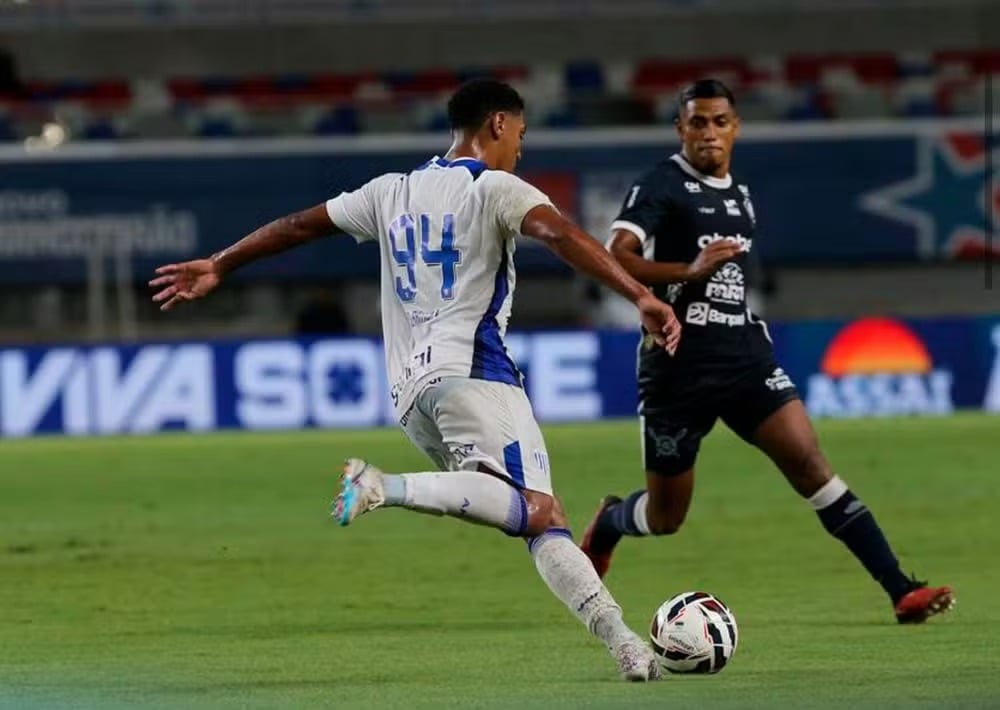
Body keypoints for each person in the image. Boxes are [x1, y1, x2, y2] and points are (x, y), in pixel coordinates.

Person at [149, 79, 681, 679]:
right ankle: (384, 486)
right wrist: (639, 293)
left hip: (409, 394)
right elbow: (557, 234)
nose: (521, 150)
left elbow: (299, 226)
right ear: (499, 125)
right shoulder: (497, 186)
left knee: (538, 517)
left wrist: (220, 263)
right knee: (537, 511)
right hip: (475, 374)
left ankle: (626, 647)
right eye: (522, 136)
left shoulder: (390, 191)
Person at [580, 79, 954, 624]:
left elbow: (729, 277)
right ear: (680, 128)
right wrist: (686, 272)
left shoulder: (741, 195)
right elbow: (616, 255)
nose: (709, 133)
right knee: (665, 517)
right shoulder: (660, 184)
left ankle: (900, 589)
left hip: (743, 358)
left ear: (735, 127)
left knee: (809, 463)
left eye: (719, 122)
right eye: (698, 123)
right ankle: (613, 520)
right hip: (677, 369)